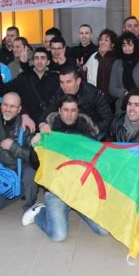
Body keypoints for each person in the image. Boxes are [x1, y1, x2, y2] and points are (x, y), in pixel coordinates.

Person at [22, 95, 107, 242]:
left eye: (73, 110)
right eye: (66, 110)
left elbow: (96, 161)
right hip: (56, 189)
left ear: (78, 111)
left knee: (103, 230)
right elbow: (35, 164)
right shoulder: (49, 131)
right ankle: (39, 212)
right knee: (58, 236)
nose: (69, 114)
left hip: (80, 188)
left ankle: (74, 207)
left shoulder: (86, 130)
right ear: (59, 111)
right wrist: (35, 146)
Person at [0, 92, 39, 213]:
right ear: (0, 105)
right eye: (5, 105)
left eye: (13, 106)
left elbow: (34, 157)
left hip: (21, 165)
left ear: (19, 109)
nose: (8, 109)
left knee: (31, 174)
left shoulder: (26, 126)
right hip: (2, 167)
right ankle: (20, 190)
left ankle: (30, 206)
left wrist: (13, 147)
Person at [38, 65, 113, 138]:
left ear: (78, 81)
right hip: (70, 131)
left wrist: (92, 131)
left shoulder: (92, 93)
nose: (65, 86)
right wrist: (42, 124)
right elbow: (48, 110)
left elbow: (107, 117)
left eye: (69, 82)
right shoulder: (60, 92)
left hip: (92, 131)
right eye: (62, 82)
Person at [10, 47, 59, 125]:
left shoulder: (55, 78)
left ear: (48, 62)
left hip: (49, 122)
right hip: (28, 122)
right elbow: (7, 91)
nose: (39, 61)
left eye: (42, 58)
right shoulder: (24, 77)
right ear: (33, 61)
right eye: (36, 58)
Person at [109, 32, 139, 113]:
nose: (127, 48)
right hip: (122, 108)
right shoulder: (117, 63)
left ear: (135, 46)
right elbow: (112, 88)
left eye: (130, 45)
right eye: (124, 45)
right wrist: (125, 93)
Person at [84, 29, 118, 108]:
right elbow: (87, 76)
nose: (102, 42)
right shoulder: (94, 56)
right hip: (95, 99)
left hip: (112, 101)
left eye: (106, 40)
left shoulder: (117, 59)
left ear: (112, 44)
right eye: (101, 40)